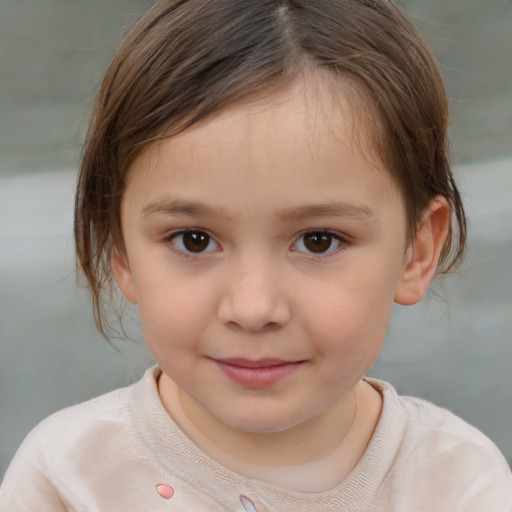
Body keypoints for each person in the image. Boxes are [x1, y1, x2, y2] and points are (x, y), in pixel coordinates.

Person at [1, 0, 511, 510]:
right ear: (121, 248)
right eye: (194, 240)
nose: (253, 308)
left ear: (416, 252)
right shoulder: (69, 479)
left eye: (318, 240)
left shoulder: (459, 484)